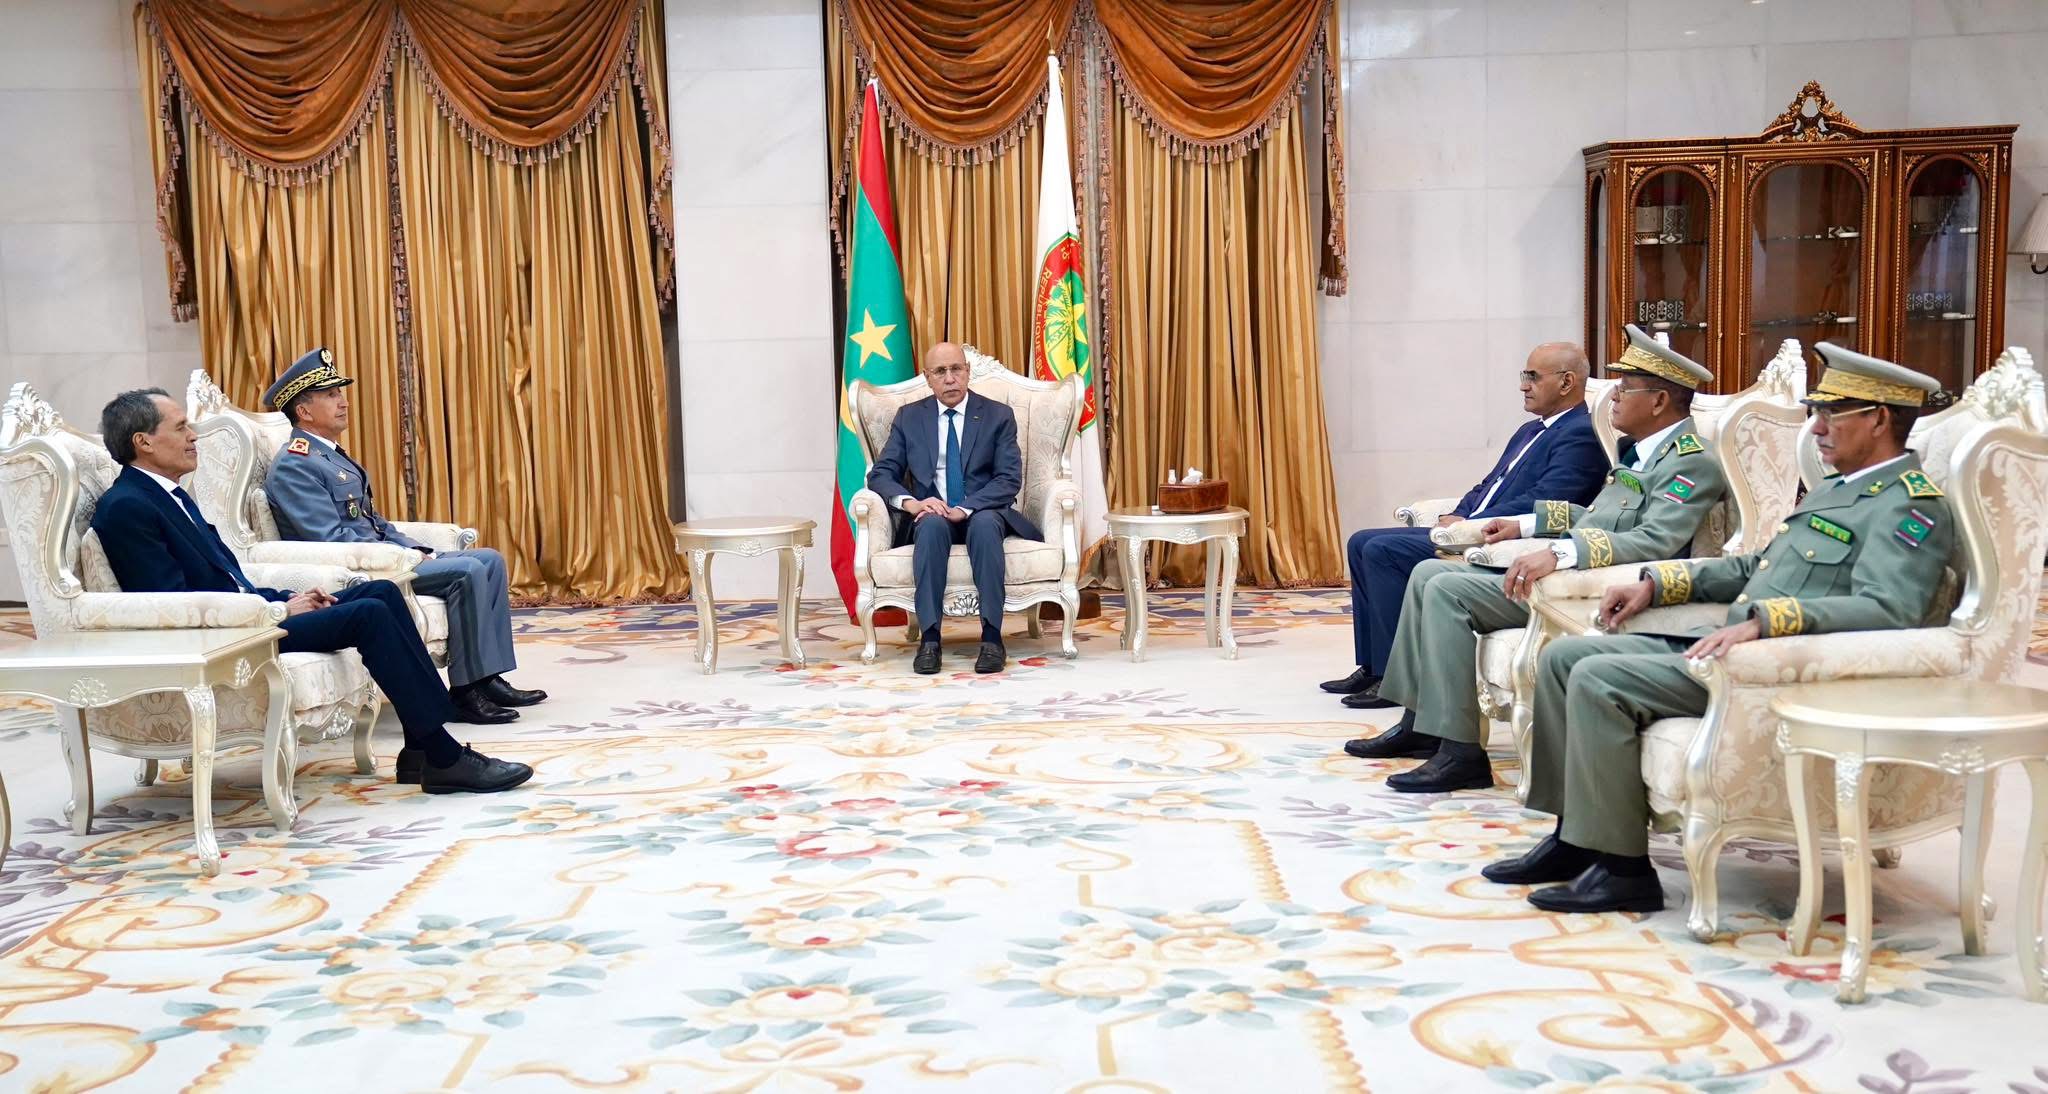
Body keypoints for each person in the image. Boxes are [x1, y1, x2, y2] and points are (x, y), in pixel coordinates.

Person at [1482, 344, 1950, 914]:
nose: (1817, 429)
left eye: (1833, 415)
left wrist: (1767, 621)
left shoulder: (1910, 507)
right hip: (1735, 650)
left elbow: (1889, 610)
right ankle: (1575, 839)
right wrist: (1659, 583)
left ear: (1878, 420)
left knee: (1598, 679)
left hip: (1779, 669)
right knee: (1562, 659)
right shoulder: (1837, 488)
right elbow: (1758, 567)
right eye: (1817, 413)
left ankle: (1623, 871)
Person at [90, 388, 533, 795]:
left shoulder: (169, 494)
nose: (193, 435)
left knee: (382, 592)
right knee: (370, 615)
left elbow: (227, 579)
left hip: (248, 616)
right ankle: (443, 756)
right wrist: (278, 612)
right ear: (143, 442)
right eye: (180, 427)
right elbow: (173, 603)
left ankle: (418, 748)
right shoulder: (127, 507)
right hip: (229, 637)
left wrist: (283, 597)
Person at [1354, 325, 1727, 792]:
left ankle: (1460, 753)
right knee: (1429, 572)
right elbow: (1599, 515)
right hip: (1569, 574)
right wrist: (1525, 526)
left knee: (1446, 587)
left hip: (1595, 589)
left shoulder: (1690, 463)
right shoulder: (1639, 452)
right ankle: (1422, 723)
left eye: (1625, 389)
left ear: (1658, 402)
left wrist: (1558, 551)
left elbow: (1655, 541)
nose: (1611, 397)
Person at [260, 347, 544, 726]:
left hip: (386, 556)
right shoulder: (294, 465)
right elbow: (331, 538)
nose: (344, 402)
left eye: (340, 393)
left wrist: (416, 548)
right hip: (361, 570)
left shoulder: (328, 455)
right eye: (331, 395)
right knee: (467, 571)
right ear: (304, 411)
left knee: (489, 559)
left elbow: (374, 522)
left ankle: (488, 678)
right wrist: (400, 558)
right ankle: (466, 692)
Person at [1324, 343, 1608, 710]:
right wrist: (1457, 514)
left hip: (1495, 540)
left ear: (1567, 382)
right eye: (1524, 376)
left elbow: (1545, 501)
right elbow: (1488, 484)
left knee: (1382, 551)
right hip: (1468, 529)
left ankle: (1394, 679)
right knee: (1360, 542)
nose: (1523, 385)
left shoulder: (1581, 434)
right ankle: (1374, 665)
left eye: (1533, 377)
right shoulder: (1529, 430)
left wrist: (1469, 525)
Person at [866, 342, 1039, 675]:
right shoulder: (909, 417)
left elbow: (1008, 479)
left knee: (985, 526)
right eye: (940, 372)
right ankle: (930, 640)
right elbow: (881, 474)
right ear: (927, 378)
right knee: (930, 526)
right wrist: (913, 504)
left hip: (983, 510)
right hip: (933, 512)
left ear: (967, 372)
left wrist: (967, 507)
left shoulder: (997, 415)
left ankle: (992, 639)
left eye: (956, 369)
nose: (950, 379)